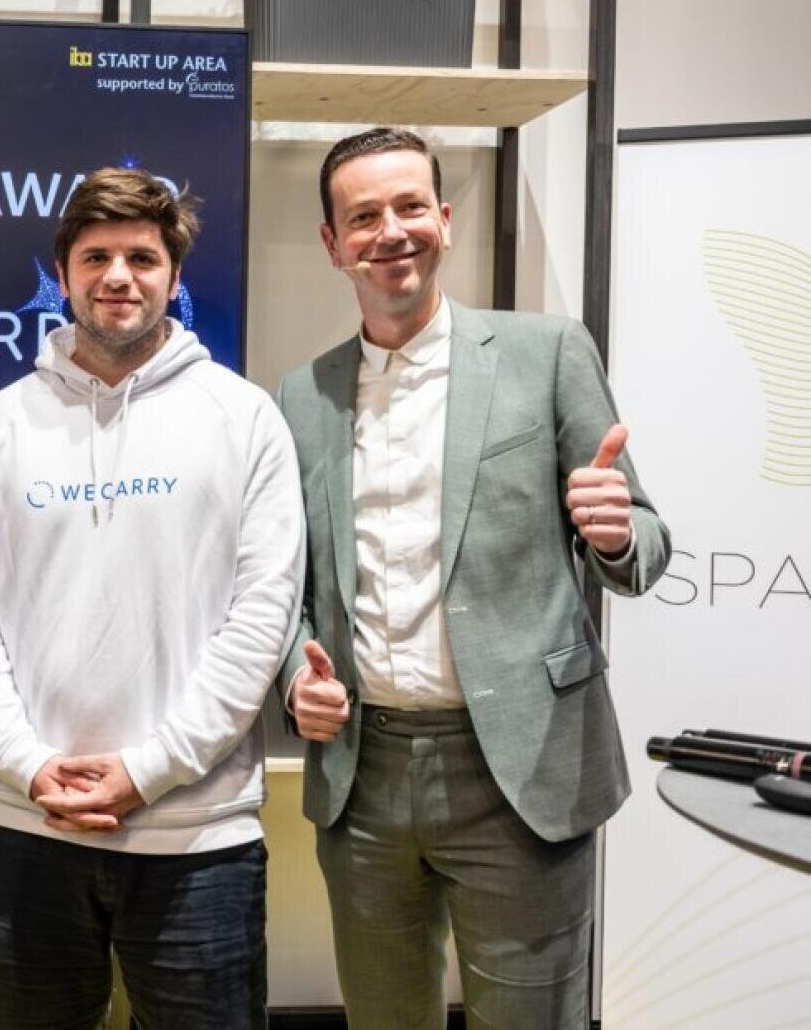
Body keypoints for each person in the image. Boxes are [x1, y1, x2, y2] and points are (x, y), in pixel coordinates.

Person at [273, 127, 672, 1029]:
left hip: (520, 771)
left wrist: (612, 533)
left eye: (409, 206)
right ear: (334, 245)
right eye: (363, 216)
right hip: (361, 779)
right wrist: (298, 673)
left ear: (444, 220)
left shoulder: (548, 353)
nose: (391, 231)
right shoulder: (301, 397)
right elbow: (287, 586)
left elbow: (642, 542)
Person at [0, 166, 306, 1028]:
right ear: (61, 275)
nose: (117, 277)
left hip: (198, 837)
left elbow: (262, 615)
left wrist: (147, 771)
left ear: (174, 278)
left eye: (141, 256)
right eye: (94, 256)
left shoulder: (243, 418)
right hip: (27, 825)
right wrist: (27, 765)